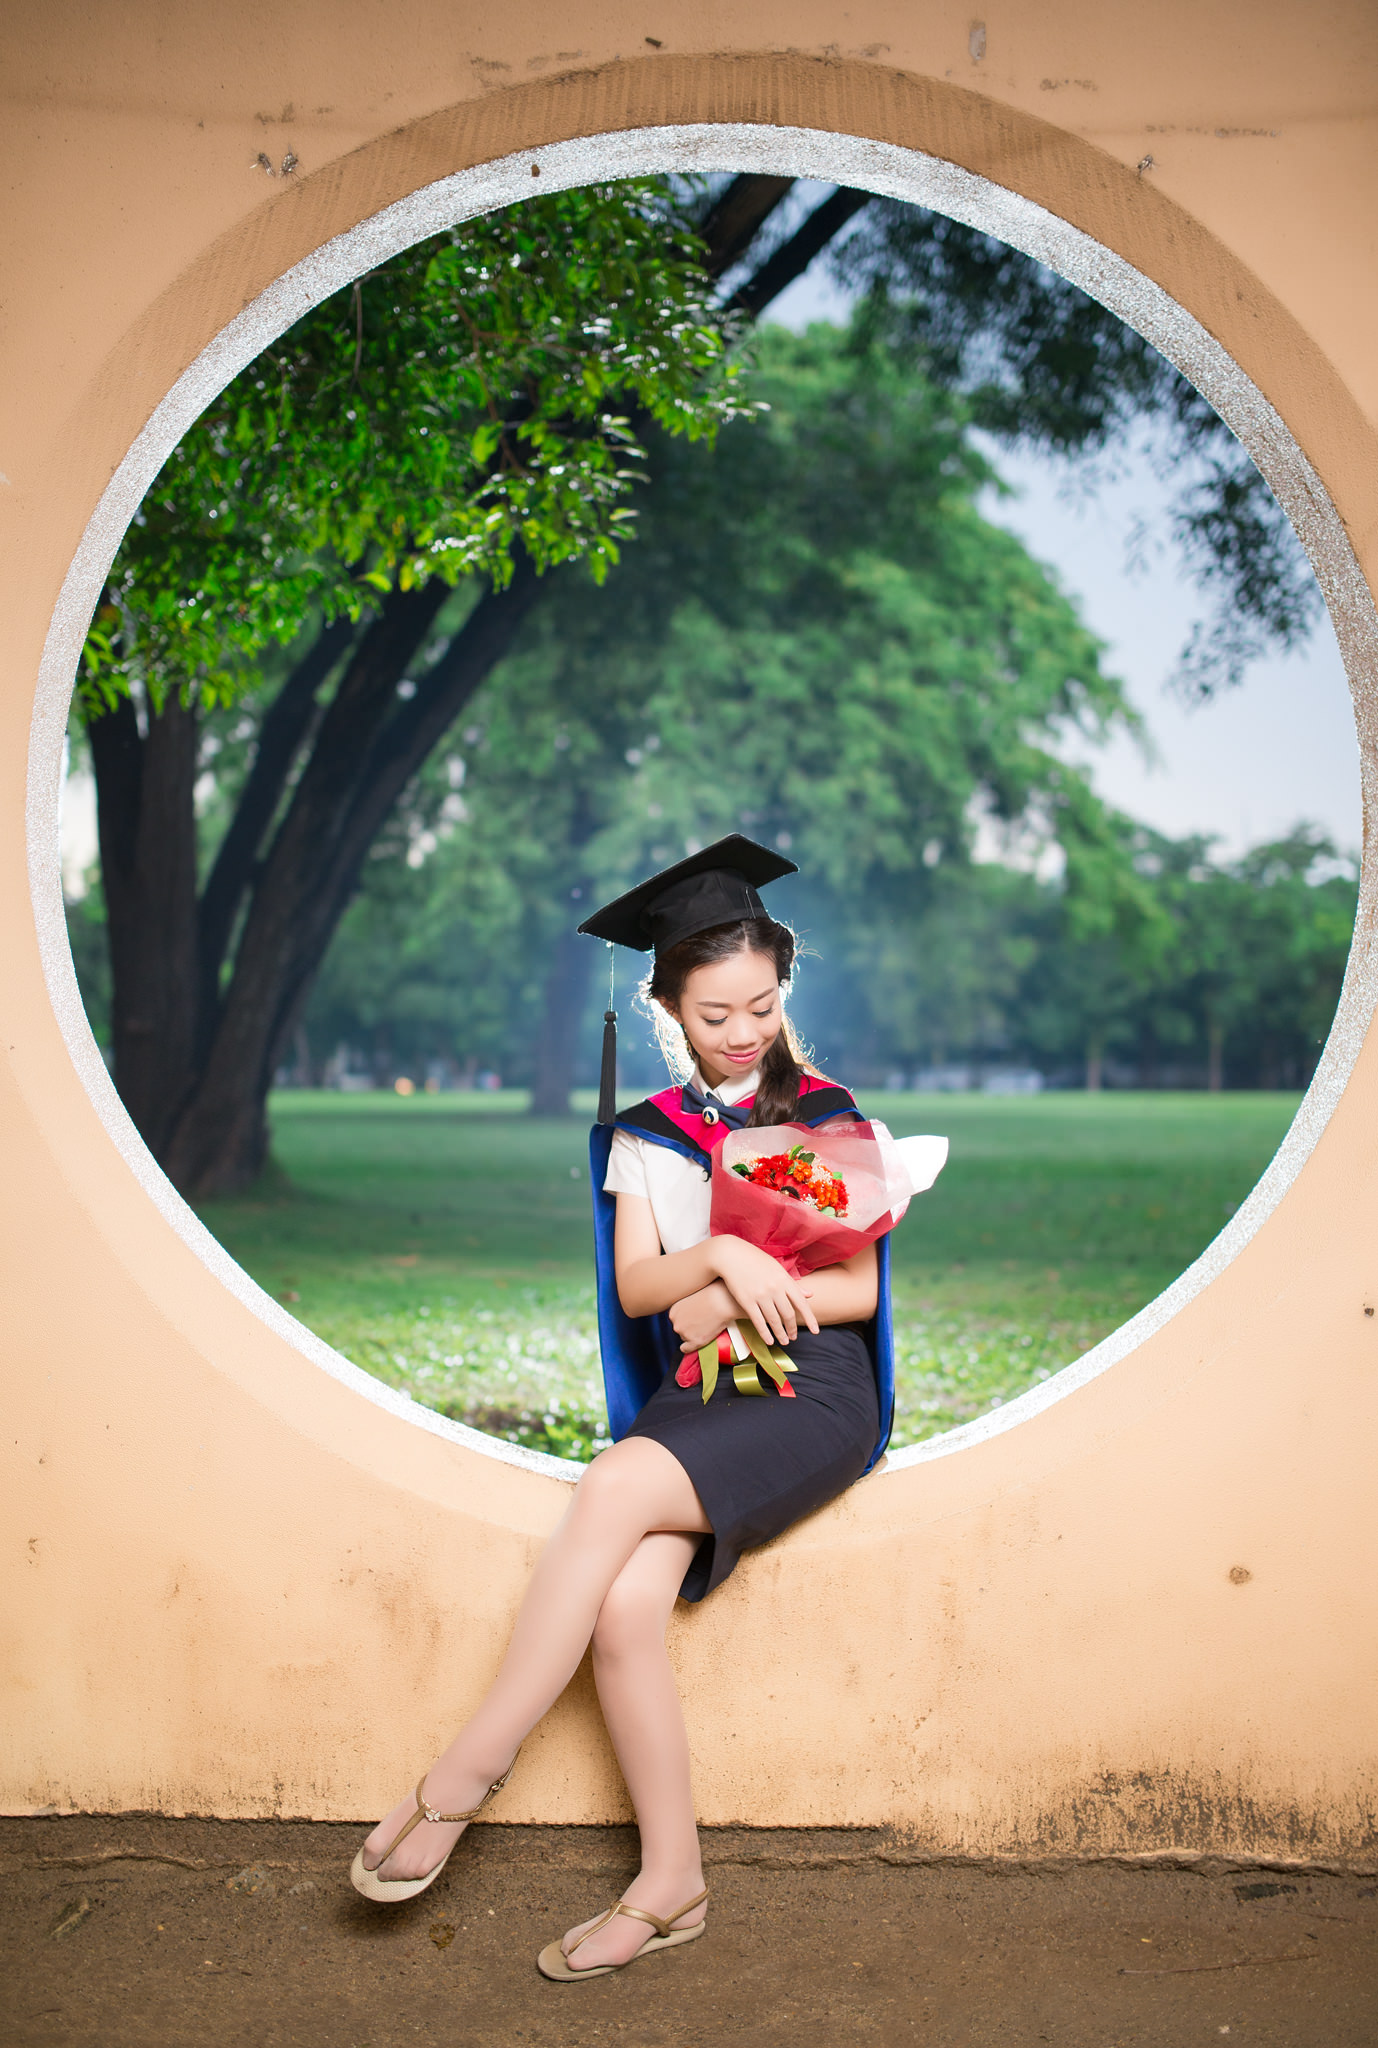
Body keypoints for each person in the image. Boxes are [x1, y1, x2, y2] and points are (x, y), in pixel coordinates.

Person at [350, 836, 894, 1981]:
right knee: (623, 1610)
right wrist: (719, 1260)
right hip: (700, 1395)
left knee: (606, 1484)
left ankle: (462, 1776)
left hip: (811, 1393)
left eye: (759, 1004)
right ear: (668, 1011)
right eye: (713, 1015)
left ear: (781, 990)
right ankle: (673, 1878)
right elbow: (640, 1282)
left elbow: (853, 1289)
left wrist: (752, 1276)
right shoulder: (650, 1136)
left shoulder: (828, 1116)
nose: (741, 1031)